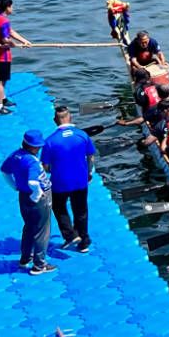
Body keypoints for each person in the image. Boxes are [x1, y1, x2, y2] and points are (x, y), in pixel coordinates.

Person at [41, 106, 97, 253]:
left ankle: (70, 235)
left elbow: (45, 166)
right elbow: (91, 157)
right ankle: (83, 241)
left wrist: (55, 169)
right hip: (80, 179)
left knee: (58, 207)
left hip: (60, 181)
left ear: (55, 120)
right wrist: (89, 172)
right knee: (81, 210)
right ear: (70, 116)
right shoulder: (82, 136)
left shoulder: (50, 141)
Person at [0, 129, 55, 275]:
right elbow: (32, 181)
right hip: (38, 199)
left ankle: (25, 259)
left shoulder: (16, 155)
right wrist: (37, 194)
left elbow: (4, 171)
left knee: (29, 227)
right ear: (33, 146)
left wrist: (15, 186)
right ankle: (39, 265)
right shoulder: (32, 162)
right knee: (42, 231)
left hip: (23, 196)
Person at [0, 0, 32, 115]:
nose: (13, 8)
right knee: (1, 80)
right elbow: (5, 39)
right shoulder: (4, 21)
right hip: (1, 57)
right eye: (11, 6)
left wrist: (24, 41)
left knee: (2, 78)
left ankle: (3, 99)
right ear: (7, 7)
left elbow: (10, 32)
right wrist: (14, 45)